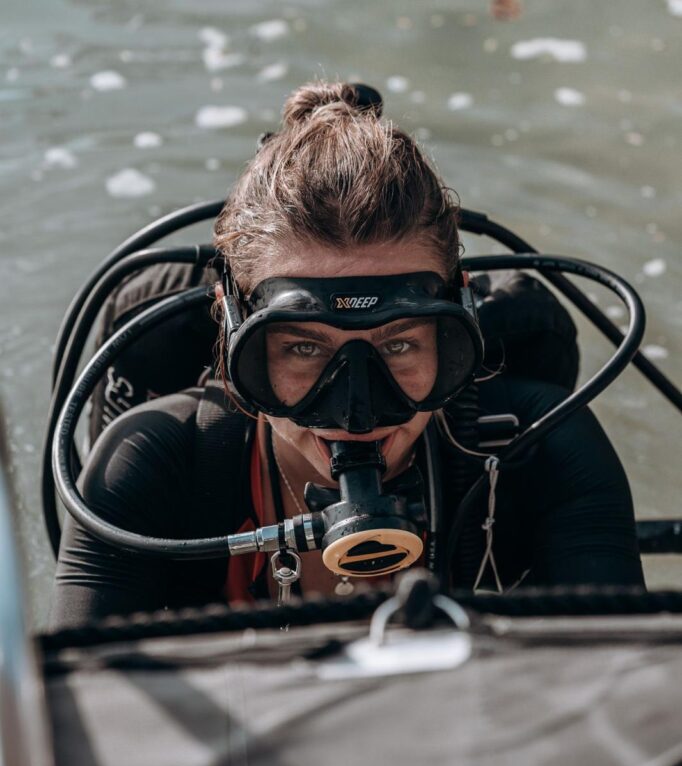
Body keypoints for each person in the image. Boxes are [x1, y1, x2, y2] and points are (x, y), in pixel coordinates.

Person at [49, 81, 644, 630]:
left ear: (455, 334)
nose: (358, 414)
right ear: (235, 338)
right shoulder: (147, 468)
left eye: (399, 343)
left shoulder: (544, 452)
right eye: (304, 347)